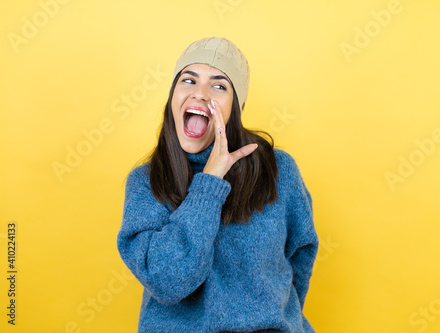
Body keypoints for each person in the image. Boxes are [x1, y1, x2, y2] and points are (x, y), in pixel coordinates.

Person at [117, 37, 319, 333]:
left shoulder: (278, 169)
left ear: (236, 106)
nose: (199, 94)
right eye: (188, 80)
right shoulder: (146, 183)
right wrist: (209, 185)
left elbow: (300, 257)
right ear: (173, 95)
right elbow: (169, 282)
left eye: (219, 85)